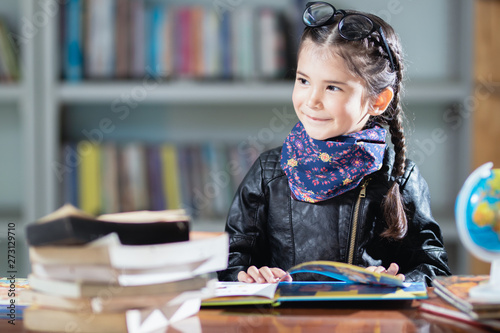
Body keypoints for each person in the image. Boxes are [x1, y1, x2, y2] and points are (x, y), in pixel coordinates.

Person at [217, 2, 451, 286]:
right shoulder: (268, 172)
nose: (311, 100)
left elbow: (434, 269)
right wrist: (248, 275)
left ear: (378, 101)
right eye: (303, 80)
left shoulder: (399, 179)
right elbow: (230, 261)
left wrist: (398, 281)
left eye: (332, 87)